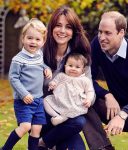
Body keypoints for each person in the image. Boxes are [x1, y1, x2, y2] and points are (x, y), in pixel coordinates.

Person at [83, 11, 128, 150]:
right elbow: (86, 79)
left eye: (108, 33)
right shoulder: (97, 45)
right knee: (81, 97)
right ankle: (102, 147)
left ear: (121, 32)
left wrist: (124, 113)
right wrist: (106, 94)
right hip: (112, 109)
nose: (102, 37)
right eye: (100, 32)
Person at [38, 5, 92, 150]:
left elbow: (89, 87)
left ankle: (43, 143)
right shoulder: (39, 53)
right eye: (58, 25)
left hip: (68, 114)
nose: (62, 31)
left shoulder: (80, 57)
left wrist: (87, 99)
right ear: (51, 28)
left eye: (68, 27)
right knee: (75, 124)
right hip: (43, 112)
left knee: (78, 123)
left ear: (73, 31)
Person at [0, 18, 52, 150]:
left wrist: (47, 68)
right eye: (29, 38)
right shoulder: (18, 59)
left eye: (37, 39)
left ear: (43, 41)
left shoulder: (39, 55)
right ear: (23, 38)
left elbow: (41, 65)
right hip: (24, 101)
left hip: (38, 100)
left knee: (36, 129)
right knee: (25, 126)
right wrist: (23, 94)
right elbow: (13, 78)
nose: (33, 42)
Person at [44, 53, 95, 126]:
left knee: (73, 111)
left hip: (74, 103)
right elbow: (54, 82)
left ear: (83, 70)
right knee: (45, 100)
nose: (73, 69)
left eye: (77, 67)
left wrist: (89, 99)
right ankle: (56, 116)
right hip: (59, 101)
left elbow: (90, 91)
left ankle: (64, 117)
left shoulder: (84, 80)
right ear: (65, 66)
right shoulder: (61, 76)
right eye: (70, 66)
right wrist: (52, 84)